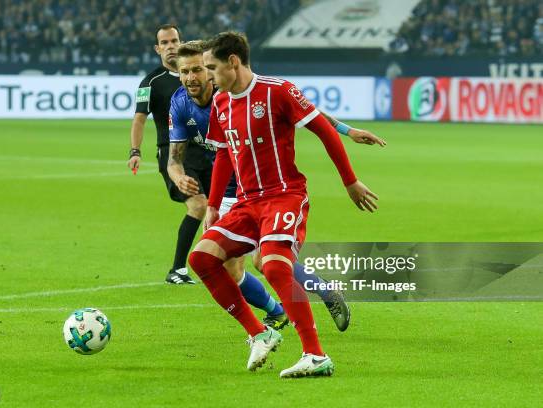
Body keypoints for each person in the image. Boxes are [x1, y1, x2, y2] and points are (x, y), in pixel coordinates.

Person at [188, 32, 379, 378]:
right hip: (247, 203)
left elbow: (324, 130)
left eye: (212, 68)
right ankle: (259, 333)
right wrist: (214, 205)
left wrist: (350, 181)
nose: (209, 77)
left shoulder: (277, 91)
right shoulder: (220, 103)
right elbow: (223, 155)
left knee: (274, 265)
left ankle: (316, 355)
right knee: (201, 258)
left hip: (284, 195)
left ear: (233, 62)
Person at [167, 40, 288, 329]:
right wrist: (179, 177)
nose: (191, 77)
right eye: (185, 72)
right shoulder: (181, 102)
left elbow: (301, 109)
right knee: (226, 266)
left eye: (200, 69)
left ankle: (318, 295)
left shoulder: (233, 93)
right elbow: (175, 159)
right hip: (226, 193)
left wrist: (345, 130)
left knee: (265, 262)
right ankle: (276, 314)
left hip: (259, 188)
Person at [127, 24, 199, 285]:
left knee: (218, 207)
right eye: (165, 42)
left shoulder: (195, 74)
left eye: (175, 40)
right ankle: (178, 269)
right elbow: (139, 119)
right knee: (198, 205)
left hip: (204, 151)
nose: (171, 46)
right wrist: (135, 151)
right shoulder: (151, 82)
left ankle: (214, 262)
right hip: (173, 154)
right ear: (158, 49)